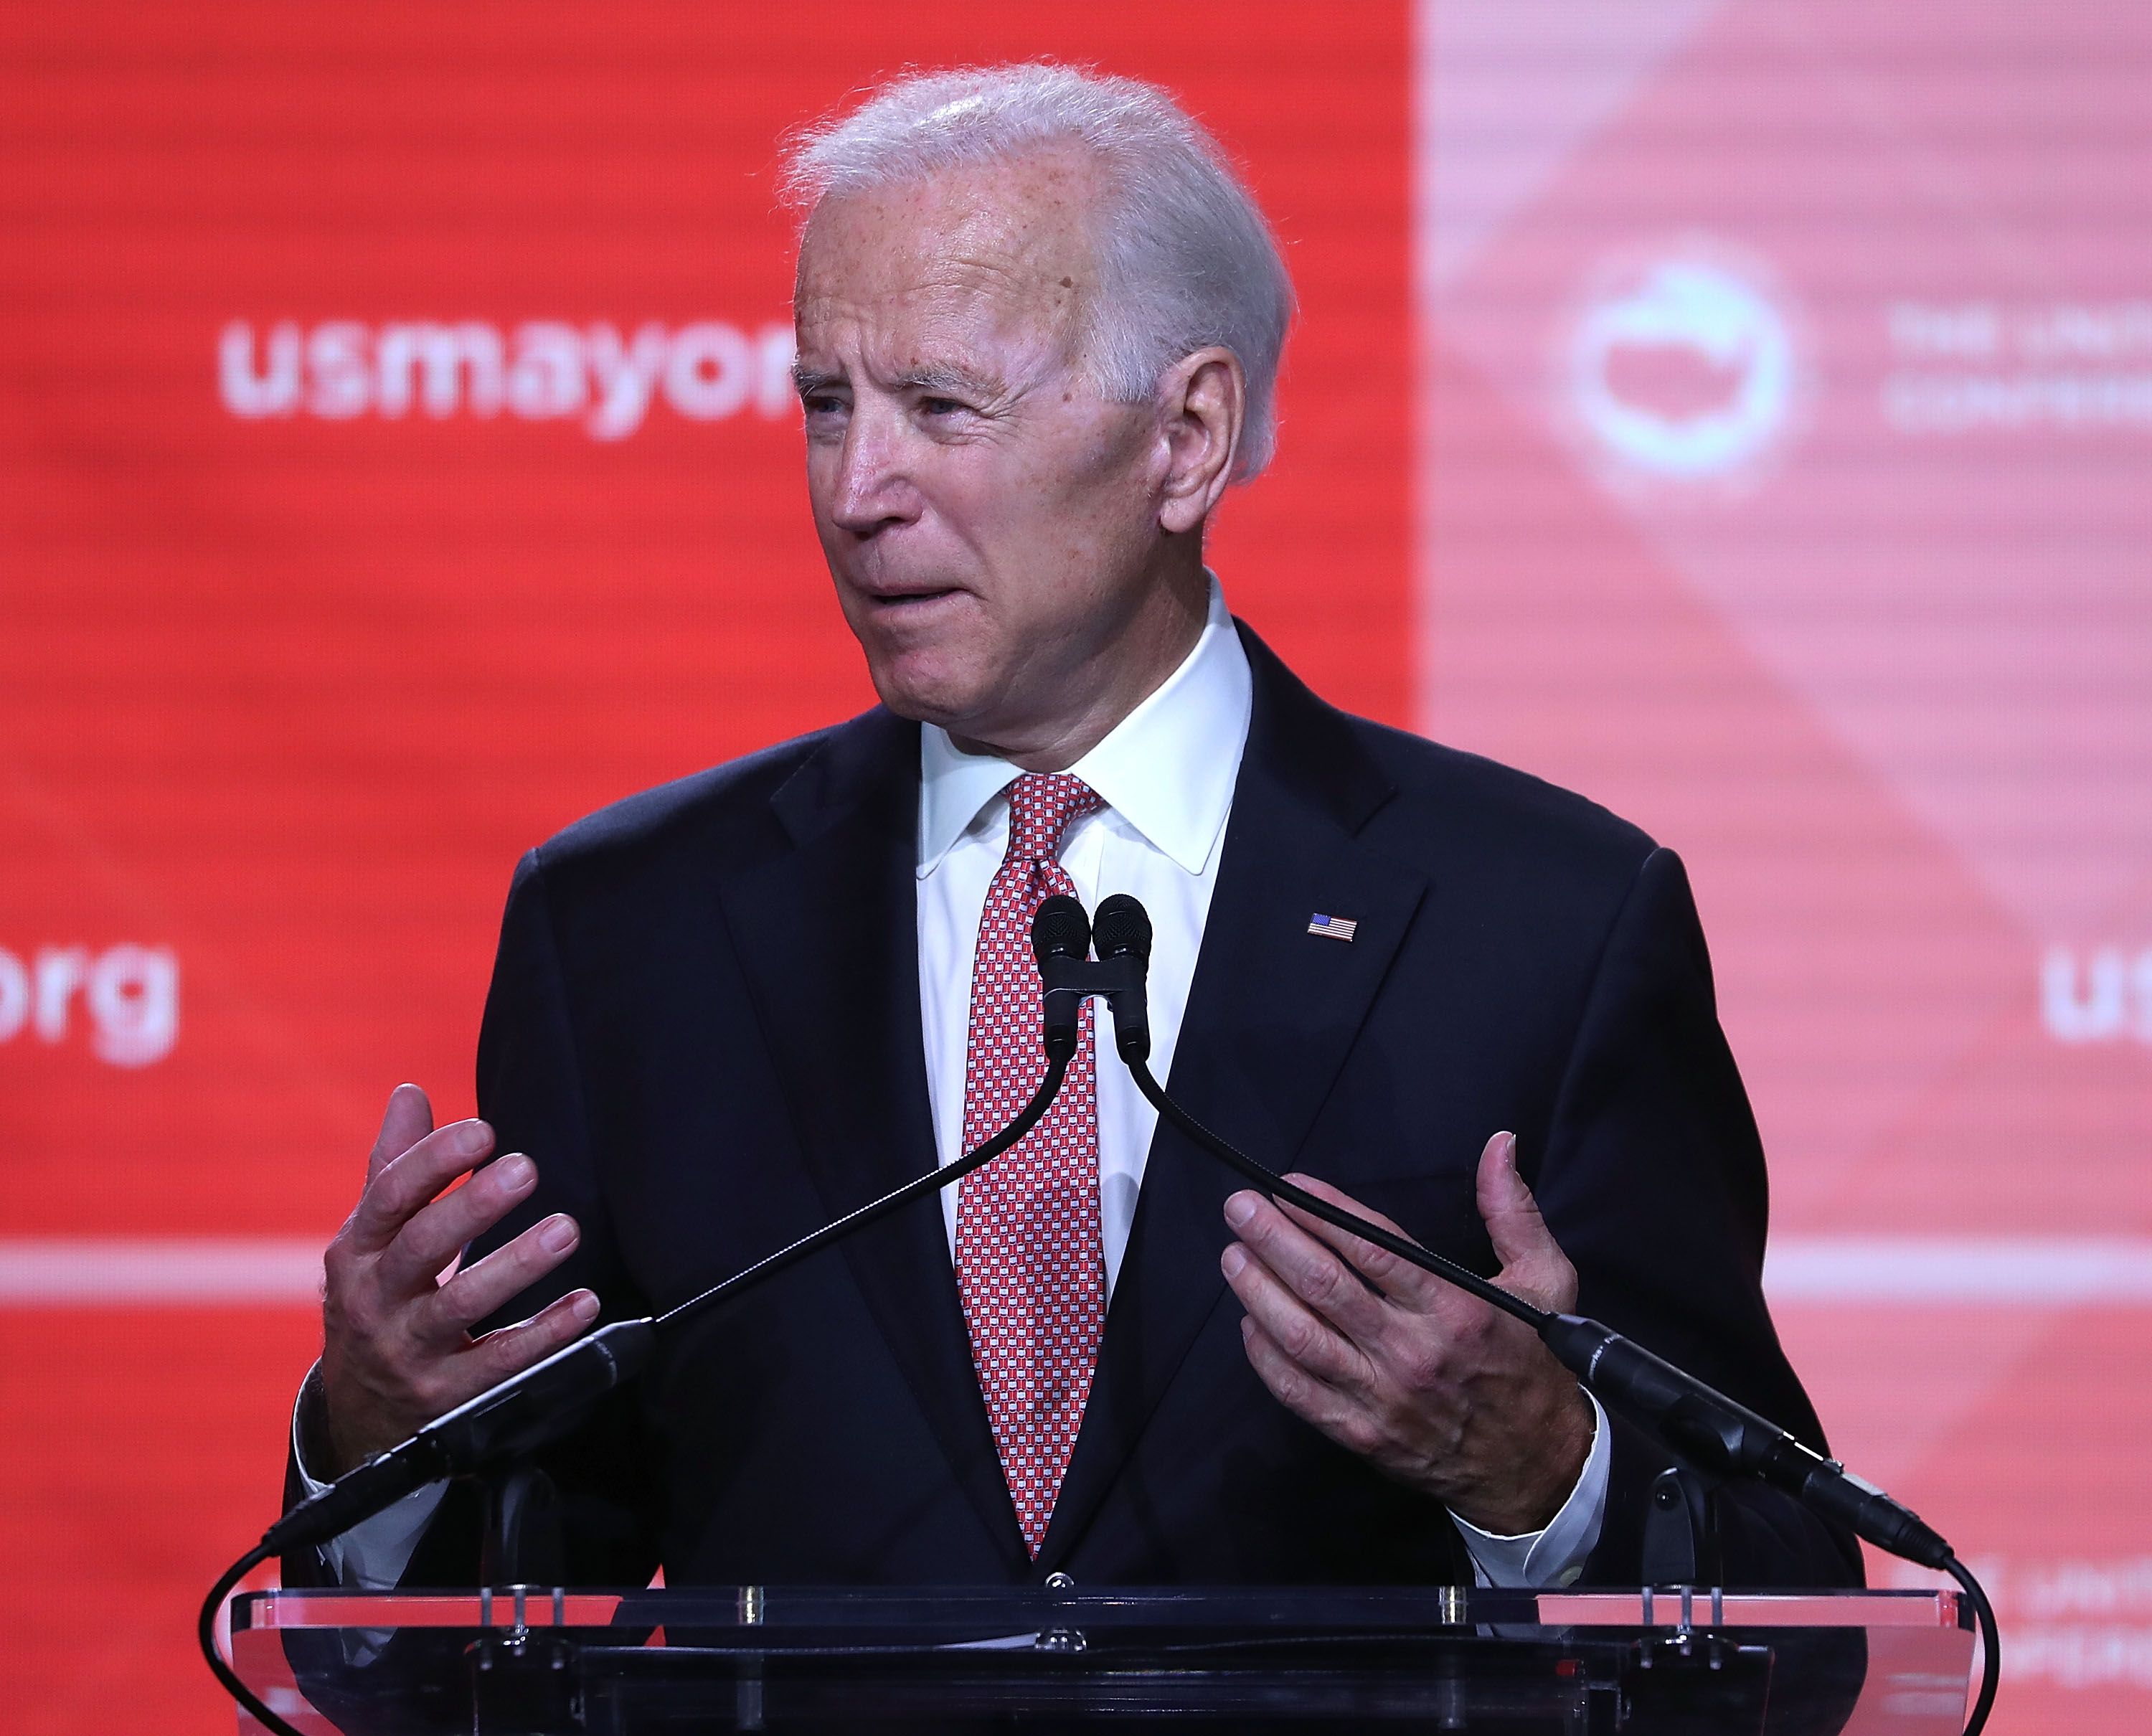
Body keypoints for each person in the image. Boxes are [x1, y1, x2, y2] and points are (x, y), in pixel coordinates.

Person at [285, 62, 1860, 1592]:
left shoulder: (1544, 926)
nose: (857, 488)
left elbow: (1796, 1598)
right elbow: (479, 1610)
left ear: (1184, 438)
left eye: (941, 407)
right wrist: (377, 1430)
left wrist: (1544, 1471)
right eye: (828, 405)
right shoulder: (631, 932)